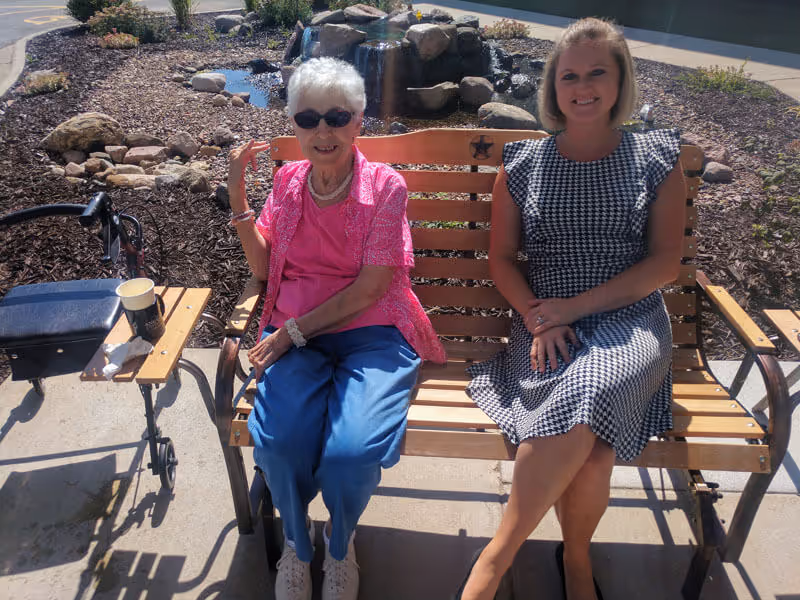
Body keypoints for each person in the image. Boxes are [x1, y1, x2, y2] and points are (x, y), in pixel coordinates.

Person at [457, 17, 686, 600]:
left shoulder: (657, 159)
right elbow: (502, 259)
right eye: (569, 76)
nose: (582, 87)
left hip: (629, 320)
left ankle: (494, 560)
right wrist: (538, 316)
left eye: (596, 74)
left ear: (620, 81)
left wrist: (571, 309)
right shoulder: (524, 166)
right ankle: (576, 560)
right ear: (553, 88)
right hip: (542, 325)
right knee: (593, 452)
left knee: (593, 385)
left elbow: (663, 266)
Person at [226, 57, 446, 600]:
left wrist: (291, 332)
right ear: (294, 124)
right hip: (295, 336)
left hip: (372, 332)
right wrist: (237, 196)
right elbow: (262, 268)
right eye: (308, 118)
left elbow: (372, 288)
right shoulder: (288, 180)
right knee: (278, 446)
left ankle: (341, 546)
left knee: (351, 453)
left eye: (336, 116)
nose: (322, 130)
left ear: (358, 121)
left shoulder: (385, 187)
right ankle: (300, 550)